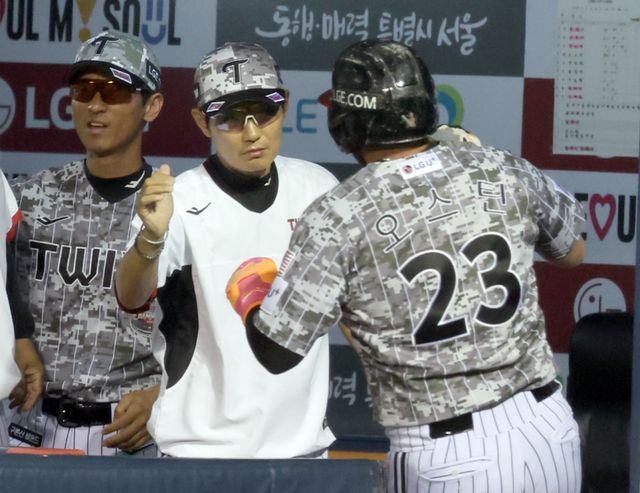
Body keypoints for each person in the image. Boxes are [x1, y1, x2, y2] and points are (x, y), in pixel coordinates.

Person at [226, 40, 586, 492]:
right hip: (548, 428)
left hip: (448, 453)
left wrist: (252, 295)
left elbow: (277, 352)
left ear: (347, 122)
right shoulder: (498, 165)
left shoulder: (340, 213)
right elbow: (574, 251)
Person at [115, 42, 337, 458]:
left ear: (285, 106)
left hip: (304, 453)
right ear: (203, 121)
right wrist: (151, 238)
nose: (252, 132)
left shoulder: (318, 188)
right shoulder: (179, 199)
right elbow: (130, 297)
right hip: (200, 453)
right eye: (231, 116)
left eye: (263, 111)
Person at [4, 29, 164, 455]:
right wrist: (14, 344)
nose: (95, 104)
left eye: (114, 91)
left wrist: (163, 398)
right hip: (26, 423)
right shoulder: (25, 198)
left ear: (152, 106)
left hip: (127, 434)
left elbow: (209, 333)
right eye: (83, 90)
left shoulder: (176, 209)